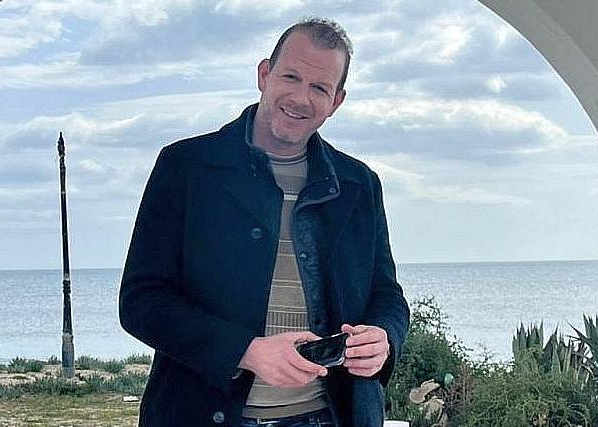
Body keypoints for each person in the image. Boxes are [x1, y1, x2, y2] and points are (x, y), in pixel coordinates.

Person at [119, 17, 410, 427]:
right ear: (264, 75)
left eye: (319, 88)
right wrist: (247, 351)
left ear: (337, 101)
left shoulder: (359, 184)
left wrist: (384, 338)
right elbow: (141, 302)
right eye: (291, 77)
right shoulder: (186, 167)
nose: (301, 97)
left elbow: (386, 295)